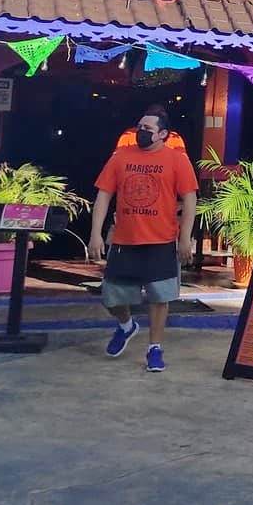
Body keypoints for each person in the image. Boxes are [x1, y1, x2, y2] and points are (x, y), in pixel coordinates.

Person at [88, 108, 198, 372]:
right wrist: (95, 234)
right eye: (140, 126)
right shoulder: (121, 156)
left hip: (161, 240)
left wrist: (185, 238)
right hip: (125, 240)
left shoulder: (177, 159)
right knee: (112, 298)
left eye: (147, 128)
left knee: (160, 298)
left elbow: (190, 198)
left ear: (162, 134)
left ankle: (154, 349)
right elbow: (103, 194)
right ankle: (127, 326)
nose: (141, 132)